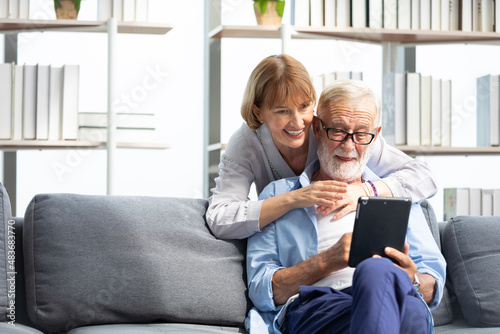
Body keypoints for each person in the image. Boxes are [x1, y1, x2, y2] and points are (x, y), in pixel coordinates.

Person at [245, 79, 446, 333]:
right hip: (321, 305)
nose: (349, 146)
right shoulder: (280, 194)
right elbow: (262, 290)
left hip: (402, 302)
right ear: (317, 128)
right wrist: (327, 261)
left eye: (362, 134)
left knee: (394, 289)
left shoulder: (398, 194)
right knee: (380, 277)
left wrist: (412, 280)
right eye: (338, 131)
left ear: (375, 136)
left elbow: (433, 283)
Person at [206, 54, 437, 239]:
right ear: (258, 112)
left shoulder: (336, 132)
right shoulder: (246, 143)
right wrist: (294, 198)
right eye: (282, 111)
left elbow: (425, 176)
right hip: (288, 239)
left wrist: (366, 191)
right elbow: (219, 218)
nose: (298, 122)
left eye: (304, 106)